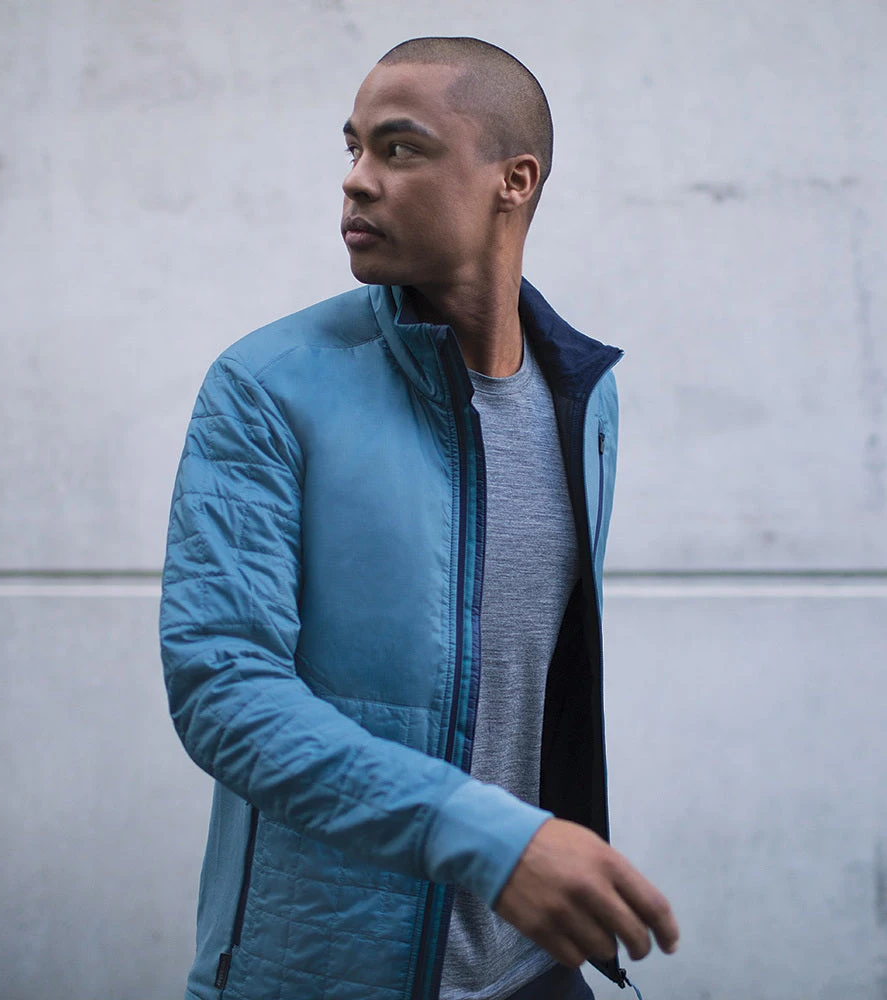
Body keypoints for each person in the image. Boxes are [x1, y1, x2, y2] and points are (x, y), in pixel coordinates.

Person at [159, 35, 679, 1000]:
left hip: (535, 970)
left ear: (513, 181)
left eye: (399, 149)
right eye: (353, 148)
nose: (357, 180)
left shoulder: (584, 397)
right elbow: (223, 691)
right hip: (326, 976)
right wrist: (489, 838)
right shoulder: (267, 388)